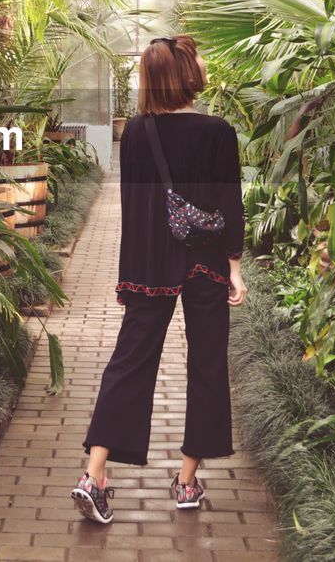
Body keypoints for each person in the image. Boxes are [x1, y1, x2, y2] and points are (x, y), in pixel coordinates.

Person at [71, 34, 246, 525]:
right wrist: (234, 266)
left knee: (130, 362)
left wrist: (131, 275)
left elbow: (136, 210)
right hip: (206, 264)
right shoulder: (218, 132)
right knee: (208, 365)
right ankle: (187, 482)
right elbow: (230, 204)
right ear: (187, 75)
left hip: (151, 267)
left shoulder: (138, 134)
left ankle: (94, 473)